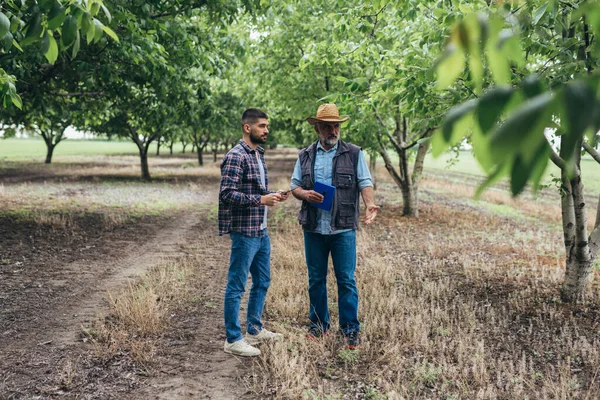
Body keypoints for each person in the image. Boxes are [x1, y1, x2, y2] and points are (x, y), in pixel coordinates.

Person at [290, 103, 379, 349]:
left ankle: (350, 329)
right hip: (314, 228)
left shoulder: (353, 153)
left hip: (343, 229)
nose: (333, 130)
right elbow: (294, 185)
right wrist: (305, 194)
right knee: (316, 279)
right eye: (327, 126)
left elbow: (365, 181)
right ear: (317, 128)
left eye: (336, 126)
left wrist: (370, 204)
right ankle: (319, 326)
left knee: (346, 280)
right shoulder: (305, 155)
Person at [219, 108, 289, 357]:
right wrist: (260, 199)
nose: (266, 130)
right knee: (237, 285)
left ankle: (254, 329)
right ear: (247, 128)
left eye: (267, 126)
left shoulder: (258, 154)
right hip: (245, 232)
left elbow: (256, 190)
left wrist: (272, 195)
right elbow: (227, 194)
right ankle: (233, 338)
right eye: (262, 126)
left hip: (261, 230)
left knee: (262, 281)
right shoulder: (236, 156)